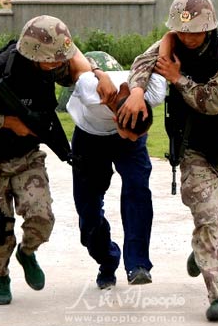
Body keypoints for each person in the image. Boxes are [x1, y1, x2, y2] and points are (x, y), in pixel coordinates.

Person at [0, 15, 116, 305]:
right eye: (52, 60)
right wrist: (7, 122)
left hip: (27, 156)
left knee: (42, 218)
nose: (58, 65)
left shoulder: (50, 64)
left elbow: (76, 68)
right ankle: (0, 276)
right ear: (33, 54)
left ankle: (27, 253)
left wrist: (99, 73)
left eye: (59, 59)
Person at [118, 0, 218, 321]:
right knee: (208, 221)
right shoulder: (170, 45)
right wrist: (136, 90)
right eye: (181, 31)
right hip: (193, 149)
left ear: (209, 28)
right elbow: (141, 65)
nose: (188, 37)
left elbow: (215, 102)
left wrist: (177, 79)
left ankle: (201, 252)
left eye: (194, 31)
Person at [66, 55, 166, 289]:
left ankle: (138, 264)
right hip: (89, 138)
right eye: (129, 134)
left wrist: (134, 138)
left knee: (138, 189)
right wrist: (98, 72)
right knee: (88, 210)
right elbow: (74, 58)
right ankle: (107, 259)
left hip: (130, 138)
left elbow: (158, 53)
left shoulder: (153, 93)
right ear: (114, 119)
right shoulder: (91, 91)